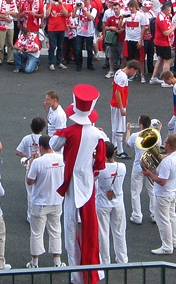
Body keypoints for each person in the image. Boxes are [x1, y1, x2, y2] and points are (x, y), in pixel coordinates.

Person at [50, 84, 107, 284]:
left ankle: (76, 275)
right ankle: (94, 271)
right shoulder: (97, 135)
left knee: (70, 230)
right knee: (91, 230)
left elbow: (53, 145)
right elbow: (100, 164)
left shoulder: (67, 132)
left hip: (72, 185)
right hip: (88, 184)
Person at [25, 135, 65, 268]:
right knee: (55, 230)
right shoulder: (61, 158)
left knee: (36, 232)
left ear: (41, 147)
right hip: (57, 200)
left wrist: (31, 162)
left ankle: (35, 263)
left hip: (40, 202)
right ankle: (57, 262)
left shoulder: (38, 162)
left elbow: (30, 181)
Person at [143, 134, 176, 255]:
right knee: (172, 216)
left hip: (164, 194)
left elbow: (162, 181)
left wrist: (149, 174)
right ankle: (174, 240)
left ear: (168, 145)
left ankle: (167, 246)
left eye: (165, 142)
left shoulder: (167, 162)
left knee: (163, 220)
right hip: (174, 192)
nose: (163, 144)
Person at [95, 142, 128, 264]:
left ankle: (105, 261)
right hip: (118, 202)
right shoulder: (123, 167)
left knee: (103, 233)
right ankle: (122, 259)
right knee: (119, 231)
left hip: (103, 203)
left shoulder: (99, 169)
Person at [126, 114, 155, 225]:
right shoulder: (155, 135)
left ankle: (137, 215)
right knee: (152, 190)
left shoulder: (135, 135)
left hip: (138, 166)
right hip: (151, 165)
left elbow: (128, 143)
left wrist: (128, 130)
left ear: (141, 125)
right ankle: (154, 214)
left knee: (135, 191)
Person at [16, 117, 46, 222]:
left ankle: (30, 216)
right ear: (43, 127)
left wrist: (27, 154)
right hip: (42, 169)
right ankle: (41, 215)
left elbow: (17, 152)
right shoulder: (44, 139)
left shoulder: (26, 138)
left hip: (29, 168)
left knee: (30, 194)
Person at [110, 60, 140, 159]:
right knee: (120, 128)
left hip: (114, 104)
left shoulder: (119, 72)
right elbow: (118, 92)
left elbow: (113, 85)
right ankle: (120, 151)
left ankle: (114, 146)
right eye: (135, 71)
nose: (134, 73)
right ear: (132, 69)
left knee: (115, 126)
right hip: (119, 105)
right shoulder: (123, 77)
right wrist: (122, 107)